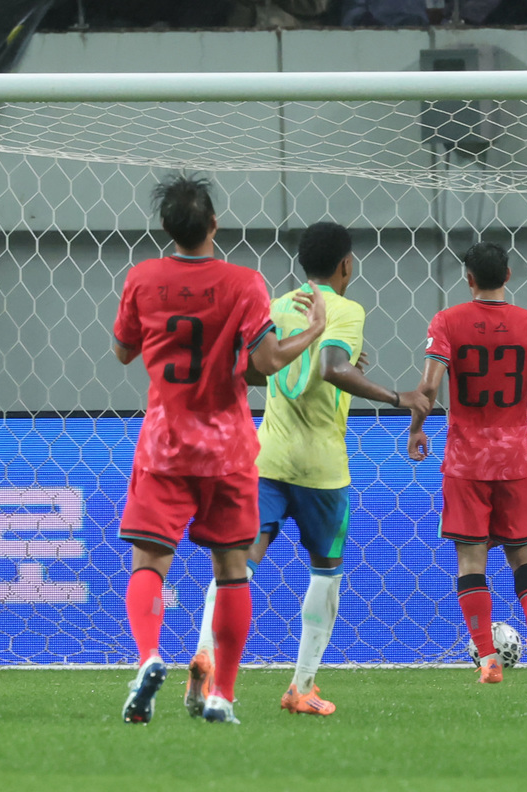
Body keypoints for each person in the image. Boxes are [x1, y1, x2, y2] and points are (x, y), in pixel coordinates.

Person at [187, 221, 427, 717]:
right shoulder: (346, 309)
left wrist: (342, 366)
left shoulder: (277, 306)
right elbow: (332, 368)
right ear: (346, 265)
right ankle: (301, 687)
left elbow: (252, 370)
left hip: (267, 458)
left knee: (239, 566)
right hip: (321, 470)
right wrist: (395, 396)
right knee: (326, 574)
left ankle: (206, 653)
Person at [112, 175, 325, 725]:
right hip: (227, 449)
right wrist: (313, 331)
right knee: (232, 570)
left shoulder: (143, 278)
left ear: (167, 229)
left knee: (149, 563)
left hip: (163, 445)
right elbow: (269, 362)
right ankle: (222, 696)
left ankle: (149, 657)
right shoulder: (245, 283)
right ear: (214, 223)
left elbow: (122, 352)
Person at [407, 242, 527, 684]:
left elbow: (429, 386)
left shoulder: (447, 321)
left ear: (468, 279)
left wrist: (416, 428)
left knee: (471, 563)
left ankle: (487, 658)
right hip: (515, 461)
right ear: (509, 274)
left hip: (466, 462)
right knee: (522, 553)